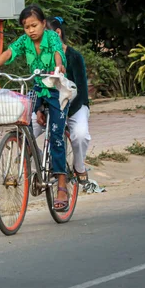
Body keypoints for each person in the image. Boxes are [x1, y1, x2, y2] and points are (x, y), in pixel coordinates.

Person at [0, 5, 70, 211]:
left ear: (42, 23)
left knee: (56, 135)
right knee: (23, 123)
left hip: (56, 89)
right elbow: (8, 53)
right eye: (26, 27)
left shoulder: (51, 37)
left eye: (34, 25)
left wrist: (58, 68)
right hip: (38, 89)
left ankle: (61, 185)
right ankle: (35, 158)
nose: (31, 30)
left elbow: (58, 54)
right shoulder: (25, 42)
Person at [33, 17, 91, 185]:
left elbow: (81, 92)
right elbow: (38, 85)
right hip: (48, 105)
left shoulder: (75, 57)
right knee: (25, 131)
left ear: (58, 33)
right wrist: (38, 109)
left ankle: (79, 167)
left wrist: (64, 112)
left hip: (74, 105)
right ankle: (43, 163)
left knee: (80, 135)